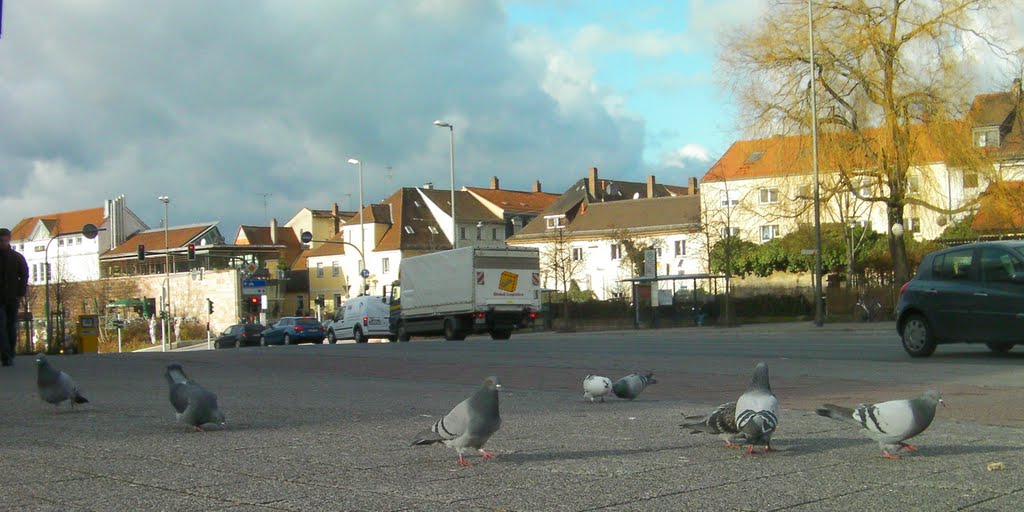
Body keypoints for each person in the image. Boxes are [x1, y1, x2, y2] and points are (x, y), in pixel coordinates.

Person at [0, 227, 30, 367]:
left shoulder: (16, 258)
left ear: (9, 240)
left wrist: (20, 293)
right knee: (1, 326)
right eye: (1, 241)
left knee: (10, 326)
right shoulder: (16, 257)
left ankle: (10, 353)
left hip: (12, 297)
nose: (3, 243)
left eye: (5, 240)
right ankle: (6, 355)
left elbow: (24, 275)